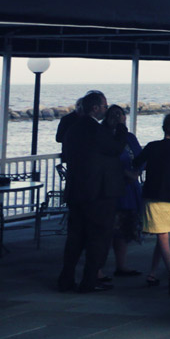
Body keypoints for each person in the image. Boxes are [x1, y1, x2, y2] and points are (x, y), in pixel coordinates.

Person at [56, 91, 123, 292]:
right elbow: (116, 148)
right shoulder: (97, 130)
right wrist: (120, 126)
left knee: (75, 237)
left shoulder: (72, 130)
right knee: (98, 238)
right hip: (99, 194)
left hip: (77, 191)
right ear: (95, 108)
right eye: (104, 106)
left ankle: (66, 278)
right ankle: (89, 280)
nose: (105, 109)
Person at [134, 112, 170, 286]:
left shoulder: (152, 146)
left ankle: (153, 273)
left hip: (153, 194)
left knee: (161, 234)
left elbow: (136, 163)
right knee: (162, 234)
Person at [106, 105, 143, 278]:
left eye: (120, 114)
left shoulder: (129, 137)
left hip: (130, 188)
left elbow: (141, 156)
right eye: (114, 115)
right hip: (112, 189)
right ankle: (97, 268)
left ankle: (121, 265)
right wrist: (123, 173)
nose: (119, 118)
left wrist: (137, 171)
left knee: (124, 229)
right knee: (108, 227)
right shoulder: (104, 137)